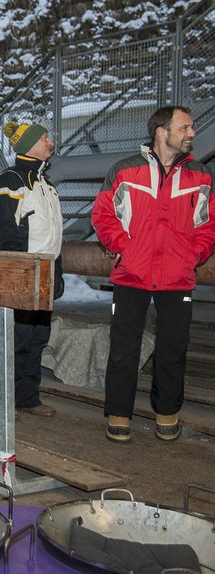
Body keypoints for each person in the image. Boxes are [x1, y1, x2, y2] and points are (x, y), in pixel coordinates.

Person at [91, 105, 214, 443]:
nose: (191, 134)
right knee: (123, 348)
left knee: (173, 349)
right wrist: (124, 249)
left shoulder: (201, 175)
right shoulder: (125, 170)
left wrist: (194, 255)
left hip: (177, 278)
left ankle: (167, 412)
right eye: (185, 127)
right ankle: (118, 414)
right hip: (132, 275)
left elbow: (208, 224)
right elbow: (103, 216)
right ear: (162, 131)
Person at [0, 121, 63, 417]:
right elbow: (4, 228)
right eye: (45, 138)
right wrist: (19, 271)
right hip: (24, 274)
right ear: (28, 144)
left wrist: (59, 271)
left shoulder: (47, 184)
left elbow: (55, 234)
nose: (51, 143)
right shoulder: (12, 179)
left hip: (45, 272)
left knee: (37, 339)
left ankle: (28, 397)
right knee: (15, 338)